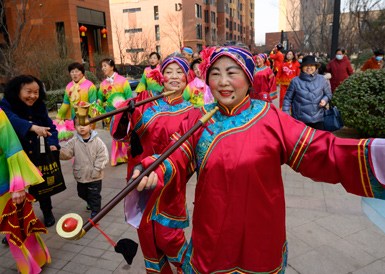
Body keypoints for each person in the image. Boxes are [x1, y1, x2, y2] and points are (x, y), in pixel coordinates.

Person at [134, 46, 385, 273]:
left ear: (248, 76)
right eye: (215, 73)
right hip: (213, 229)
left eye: (232, 73)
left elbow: (321, 149)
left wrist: (375, 155)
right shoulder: (199, 120)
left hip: (261, 229)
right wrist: (154, 168)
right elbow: (177, 155)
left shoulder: (270, 117)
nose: (223, 82)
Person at [110, 54, 194, 273]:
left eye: (180, 72)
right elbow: (121, 134)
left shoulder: (193, 113)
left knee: (169, 237)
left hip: (170, 182)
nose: (174, 77)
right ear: (161, 76)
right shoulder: (146, 103)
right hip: (141, 178)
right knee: (147, 235)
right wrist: (125, 113)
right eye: (169, 72)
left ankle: (190, 268)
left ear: (187, 78)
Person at [0, 75, 60, 227]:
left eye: (36, 92)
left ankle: (47, 212)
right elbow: (9, 119)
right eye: (28, 92)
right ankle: (15, 225)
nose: (33, 96)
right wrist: (31, 127)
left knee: (42, 187)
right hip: (16, 156)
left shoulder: (40, 106)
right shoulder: (6, 105)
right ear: (17, 91)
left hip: (38, 153)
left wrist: (53, 144)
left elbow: (50, 127)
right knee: (16, 192)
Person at [0, 108, 51, 274]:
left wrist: (18, 184)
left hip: (3, 182)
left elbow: (12, 147)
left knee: (16, 225)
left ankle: (31, 265)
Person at [59, 116, 109, 218]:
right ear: (75, 126)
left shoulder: (97, 141)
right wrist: (58, 151)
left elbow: (103, 156)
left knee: (94, 195)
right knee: (81, 193)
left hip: (95, 176)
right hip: (81, 175)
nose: (82, 127)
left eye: (85, 124)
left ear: (91, 126)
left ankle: (96, 212)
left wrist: (97, 169)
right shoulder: (74, 141)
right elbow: (67, 153)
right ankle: (89, 202)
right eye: (78, 125)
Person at [97, 58, 132, 166]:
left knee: (123, 133)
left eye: (105, 66)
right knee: (114, 134)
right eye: (102, 66)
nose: (103, 68)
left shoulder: (123, 81)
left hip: (122, 112)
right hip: (110, 113)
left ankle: (125, 155)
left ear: (112, 67)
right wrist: (98, 106)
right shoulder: (103, 84)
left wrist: (127, 108)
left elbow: (129, 96)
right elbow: (100, 98)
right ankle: (120, 157)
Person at [282, 55, 332, 130]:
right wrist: (286, 114)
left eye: (311, 65)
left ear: (315, 67)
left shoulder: (322, 80)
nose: (309, 68)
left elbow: (328, 95)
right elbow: (287, 99)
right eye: (306, 66)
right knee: (301, 141)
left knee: (317, 141)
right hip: (300, 119)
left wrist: (324, 100)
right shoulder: (295, 81)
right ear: (302, 68)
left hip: (318, 119)